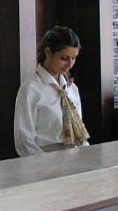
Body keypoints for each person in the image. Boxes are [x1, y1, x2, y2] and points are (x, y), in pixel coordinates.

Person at [14, 26, 90, 155]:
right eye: (64, 58)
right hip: (45, 159)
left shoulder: (72, 88)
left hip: (75, 157)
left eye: (74, 58)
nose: (70, 65)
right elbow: (24, 141)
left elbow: (79, 132)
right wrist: (45, 164)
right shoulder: (31, 89)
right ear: (48, 52)